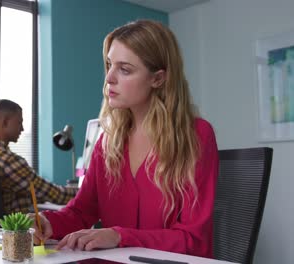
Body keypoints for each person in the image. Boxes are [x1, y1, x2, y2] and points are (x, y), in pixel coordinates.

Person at [31, 20, 219, 258]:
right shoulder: (108, 141)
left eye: (125, 69)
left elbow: (194, 240)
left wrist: (119, 236)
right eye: (109, 65)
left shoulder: (196, 135)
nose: (109, 77)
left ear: (158, 79)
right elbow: (81, 212)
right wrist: (46, 222)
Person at [0, 99, 77, 214]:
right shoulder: (7, 160)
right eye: (19, 122)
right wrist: (86, 192)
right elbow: (54, 195)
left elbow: (33, 191)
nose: (22, 128)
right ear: (5, 122)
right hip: (18, 230)